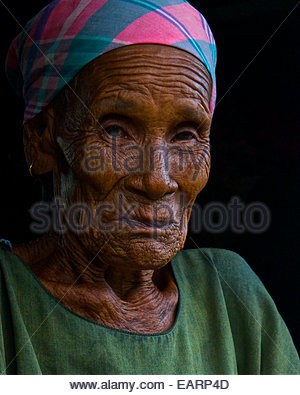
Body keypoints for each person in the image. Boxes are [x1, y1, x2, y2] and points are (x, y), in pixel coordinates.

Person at [1, 0, 299, 375]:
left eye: (186, 136)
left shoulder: (230, 292)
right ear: (43, 141)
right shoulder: (7, 302)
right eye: (114, 130)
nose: (157, 180)